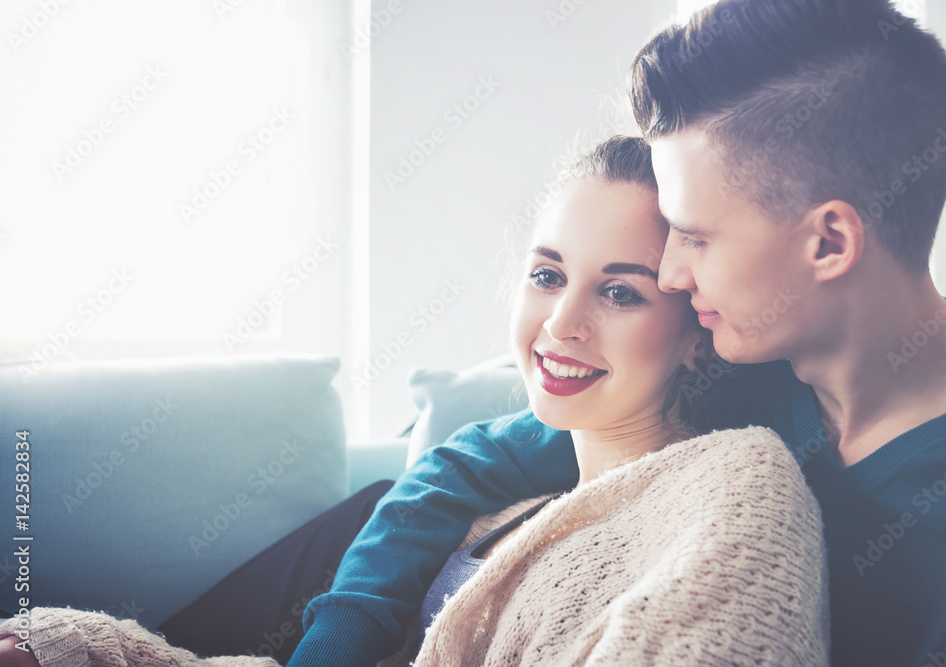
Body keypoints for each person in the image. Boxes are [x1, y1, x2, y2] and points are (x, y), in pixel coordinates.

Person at [290, 1, 946, 666]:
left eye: (693, 236)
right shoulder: (736, 372)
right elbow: (474, 459)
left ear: (829, 242)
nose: (671, 272)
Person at [0, 137, 828, 666]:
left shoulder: (736, 481)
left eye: (620, 293)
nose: (561, 324)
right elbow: (458, 463)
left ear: (697, 328)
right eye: (546, 275)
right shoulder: (535, 476)